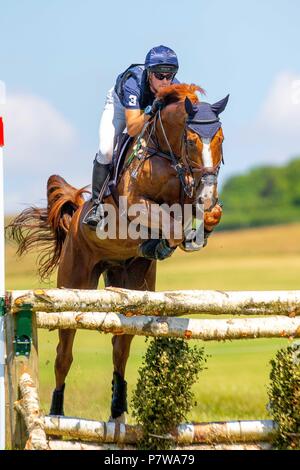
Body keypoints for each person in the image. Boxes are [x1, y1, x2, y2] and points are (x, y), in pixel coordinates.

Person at [85, 45, 180, 227]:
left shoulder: (173, 87)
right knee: (106, 150)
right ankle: (96, 205)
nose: (165, 81)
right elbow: (132, 128)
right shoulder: (133, 83)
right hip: (120, 107)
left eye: (170, 75)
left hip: (147, 110)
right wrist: (151, 110)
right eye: (160, 75)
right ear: (149, 73)